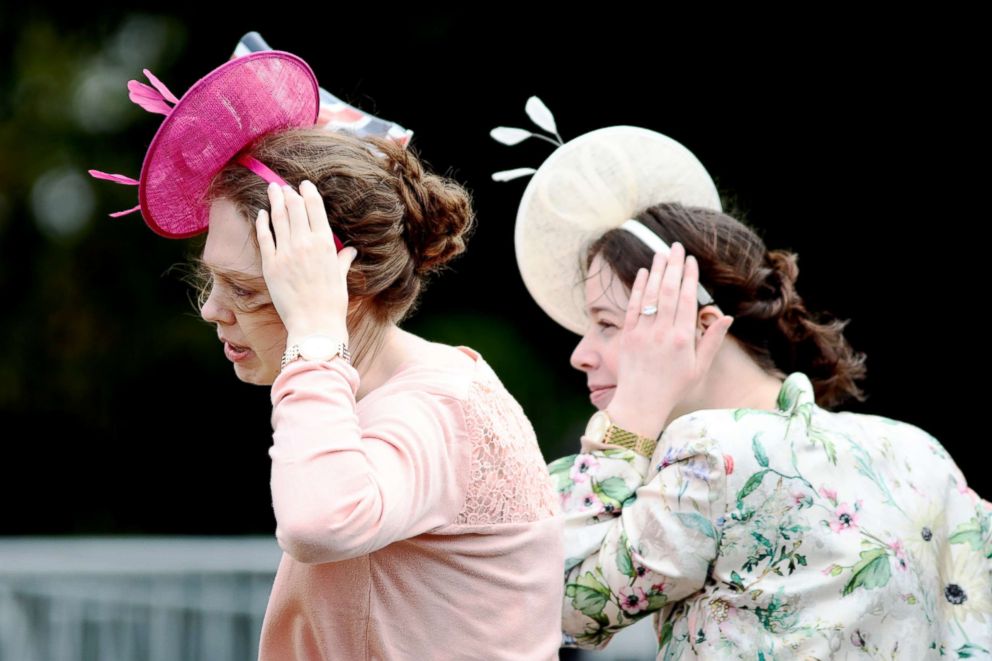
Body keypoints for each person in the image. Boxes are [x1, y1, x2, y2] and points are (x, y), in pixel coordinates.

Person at [91, 50, 563, 660]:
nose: (211, 310)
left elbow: (316, 523)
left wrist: (314, 334)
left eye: (248, 288)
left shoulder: (434, 410)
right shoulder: (440, 382)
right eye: (214, 281)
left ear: (346, 287)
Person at [491, 113, 991, 658]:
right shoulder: (918, 451)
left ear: (700, 325)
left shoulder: (710, 455)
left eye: (607, 324)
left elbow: (543, 600)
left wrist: (630, 417)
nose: (580, 353)